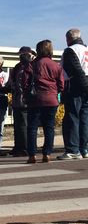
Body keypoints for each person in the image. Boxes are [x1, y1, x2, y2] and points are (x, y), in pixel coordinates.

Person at [26, 40, 64, 163]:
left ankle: (32, 155)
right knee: (49, 128)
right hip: (51, 99)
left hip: (35, 99)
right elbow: (61, 85)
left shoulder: (32, 64)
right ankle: (47, 153)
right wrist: (54, 91)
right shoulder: (56, 65)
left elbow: (25, 82)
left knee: (32, 128)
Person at [58, 28, 88, 160]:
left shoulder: (70, 50)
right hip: (86, 85)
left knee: (72, 117)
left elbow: (74, 70)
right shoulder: (86, 50)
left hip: (76, 86)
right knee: (85, 118)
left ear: (68, 39)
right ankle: (84, 148)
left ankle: (72, 150)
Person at [8, 47, 35, 157]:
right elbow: (12, 82)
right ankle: (18, 147)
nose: (21, 56)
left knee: (24, 124)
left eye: (23, 54)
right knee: (17, 125)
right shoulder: (17, 67)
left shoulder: (32, 66)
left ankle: (24, 147)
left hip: (27, 100)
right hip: (17, 100)